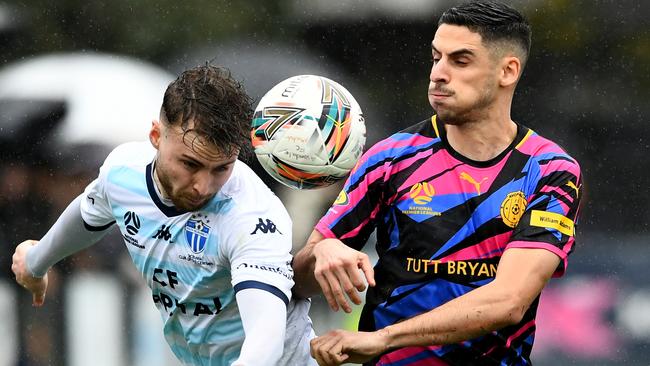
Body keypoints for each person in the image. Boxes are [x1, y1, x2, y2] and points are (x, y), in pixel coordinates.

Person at [293, 2, 583, 365]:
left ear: (508, 71)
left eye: (460, 61)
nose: (438, 74)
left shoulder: (550, 171)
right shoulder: (389, 158)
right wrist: (320, 254)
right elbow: (298, 282)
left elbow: (508, 301)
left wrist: (384, 339)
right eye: (436, 58)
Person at [11, 65, 316, 366]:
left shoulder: (253, 217)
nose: (203, 186)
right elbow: (89, 212)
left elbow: (266, 344)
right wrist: (37, 262)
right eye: (190, 164)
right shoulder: (123, 172)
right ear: (156, 135)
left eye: (221, 168)